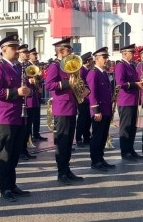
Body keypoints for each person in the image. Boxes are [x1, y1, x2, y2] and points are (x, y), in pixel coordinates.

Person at [0, 34, 31, 202]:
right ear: (3, 50)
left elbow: (25, 87)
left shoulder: (20, 67)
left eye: (16, 47)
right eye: (13, 48)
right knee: (5, 154)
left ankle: (12, 185)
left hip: (19, 117)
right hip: (5, 117)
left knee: (14, 154)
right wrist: (16, 92)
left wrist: (28, 91)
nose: (16, 50)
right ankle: (4, 187)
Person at [45, 37, 84, 184]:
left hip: (71, 106)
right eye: (69, 49)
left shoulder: (70, 65)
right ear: (61, 51)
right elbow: (49, 85)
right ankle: (61, 173)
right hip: (61, 108)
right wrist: (67, 83)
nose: (71, 51)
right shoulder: (55, 66)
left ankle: (67, 169)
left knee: (68, 142)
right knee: (62, 142)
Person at [86, 47, 116, 171]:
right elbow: (92, 94)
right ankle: (95, 161)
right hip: (99, 111)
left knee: (103, 135)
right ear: (96, 59)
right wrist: (96, 110)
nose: (107, 59)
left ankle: (101, 158)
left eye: (107, 57)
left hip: (106, 109)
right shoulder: (93, 73)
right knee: (97, 136)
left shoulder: (103, 73)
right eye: (104, 57)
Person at [114, 43, 143, 160]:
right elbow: (120, 83)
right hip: (125, 100)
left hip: (133, 100)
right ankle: (125, 152)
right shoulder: (121, 66)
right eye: (131, 52)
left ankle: (131, 150)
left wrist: (139, 81)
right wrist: (134, 84)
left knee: (132, 127)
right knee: (126, 128)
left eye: (133, 52)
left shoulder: (131, 65)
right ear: (125, 53)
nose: (133, 54)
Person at [27, 48, 47, 142]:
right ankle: (30, 136)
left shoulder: (36, 65)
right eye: (34, 54)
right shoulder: (27, 65)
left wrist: (39, 78)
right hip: (31, 94)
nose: (36, 56)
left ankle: (36, 133)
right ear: (30, 55)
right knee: (30, 117)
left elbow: (40, 79)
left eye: (36, 54)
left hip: (36, 94)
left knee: (37, 116)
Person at [75, 52, 93, 148]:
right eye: (91, 60)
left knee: (88, 119)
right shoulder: (81, 70)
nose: (92, 62)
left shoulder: (87, 70)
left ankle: (86, 137)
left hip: (88, 98)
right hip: (83, 98)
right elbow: (80, 83)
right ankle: (78, 138)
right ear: (87, 61)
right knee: (82, 119)